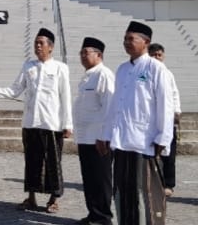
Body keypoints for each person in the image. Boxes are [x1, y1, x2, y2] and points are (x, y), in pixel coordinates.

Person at [0, 28, 72, 213]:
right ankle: (31, 198)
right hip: (30, 123)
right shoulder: (28, 66)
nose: (37, 46)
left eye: (41, 43)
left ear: (50, 47)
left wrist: (68, 124)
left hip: (51, 124)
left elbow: (65, 97)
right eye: (36, 42)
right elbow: (15, 90)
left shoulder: (60, 68)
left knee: (53, 162)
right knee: (31, 162)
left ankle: (54, 199)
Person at [97, 21, 174, 225]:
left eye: (131, 39)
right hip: (121, 141)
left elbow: (166, 105)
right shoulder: (122, 69)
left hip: (144, 142)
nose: (127, 43)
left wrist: (163, 138)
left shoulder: (156, 69)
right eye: (125, 39)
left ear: (146, 42)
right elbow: (115, 106)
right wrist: (105, 135)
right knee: (122, 191)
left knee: (144, 193)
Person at [74, 37, 114, 225]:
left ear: (99, 55)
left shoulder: (104, 75)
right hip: (85, 138)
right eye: (81, 53)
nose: (82, 56)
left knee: (101, 180)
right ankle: (93, 214)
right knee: (89, 180)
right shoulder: (86, 77)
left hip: (99, 139)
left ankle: (104, 218)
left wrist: (104, 136)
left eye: (86, 52)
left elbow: (109, 107)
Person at [148, 43, 181, 197]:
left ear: (163, 56)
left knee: (169, 154)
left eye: (159, 55)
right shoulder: (144, 72)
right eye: (153, 55)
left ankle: (168, 184)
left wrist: (177, 112)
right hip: (150, 120)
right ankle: (150, 182)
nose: (156, 58)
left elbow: (174, 94)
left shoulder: (167, 73)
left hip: (167, 119)